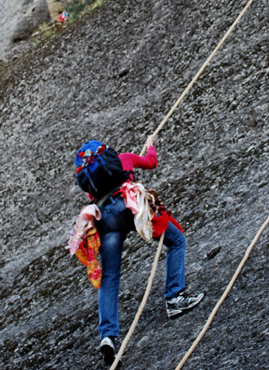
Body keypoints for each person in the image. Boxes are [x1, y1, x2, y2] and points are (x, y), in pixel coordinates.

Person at [77, 135, 204, 364]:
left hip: (105, 219)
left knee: (110, 277)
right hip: (131, 207)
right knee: (176, 241)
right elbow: (151, 162)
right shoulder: (124, 159)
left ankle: (107, 337)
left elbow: (91, 196)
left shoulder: (94, 181)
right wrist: (151, 145)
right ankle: (175, 297)